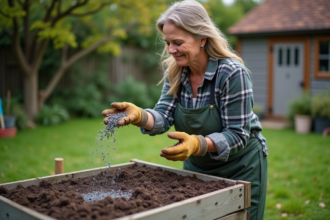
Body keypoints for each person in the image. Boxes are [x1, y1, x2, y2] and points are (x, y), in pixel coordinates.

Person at [102, 1, 268, 219]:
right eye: (168, 43)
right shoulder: (177, 72)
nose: (171, 50)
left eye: (178, 42)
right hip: (197, 166)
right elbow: (163, 116)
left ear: (202, 39)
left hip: (240, 168)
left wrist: (197, 144)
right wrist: (141, 116)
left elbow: (238, 135)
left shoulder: (231, 73)